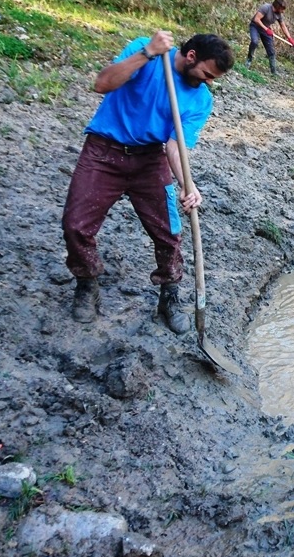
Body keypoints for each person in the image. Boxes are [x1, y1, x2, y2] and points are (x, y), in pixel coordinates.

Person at [61, 31, 235, 333]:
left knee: (169, 232)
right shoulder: (145, 51)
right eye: (207, 74)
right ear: (191, 56)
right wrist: (148, 53)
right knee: (75, 225)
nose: (208, 82)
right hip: (103, 151)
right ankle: (87, 283)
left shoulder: (201, 99)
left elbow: (175, 146)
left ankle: (169, 296)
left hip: (150, 159)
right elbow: (102, 84)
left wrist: (188, 185)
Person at [246, 0, 294, 75]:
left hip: (265, 30)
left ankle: (273, 72)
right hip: (255, 27)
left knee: (271, 50)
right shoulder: (266, 7)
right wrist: (266, 29)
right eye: (282, 9)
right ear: (278, 7)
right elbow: (256, 19)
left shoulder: (278, 15)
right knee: (254, 42)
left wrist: (290, 38)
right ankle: (249, 60)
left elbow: (283, 26)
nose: (283, 11)